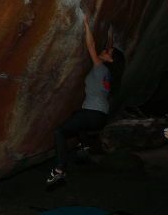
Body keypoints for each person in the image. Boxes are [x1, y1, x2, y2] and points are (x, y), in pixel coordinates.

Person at [46, 13, 125, 187]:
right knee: (77, 115)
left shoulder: (100, 67)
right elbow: (107, 48)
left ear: (110, 59)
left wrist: (86, 24)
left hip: (91, 113)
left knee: (59, 132)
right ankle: (84, 146)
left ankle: (60, 169)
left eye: (107, 51)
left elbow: (91, 46)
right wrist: (110, 33)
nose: (104, 51)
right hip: (100, 117)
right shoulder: (109, 74)